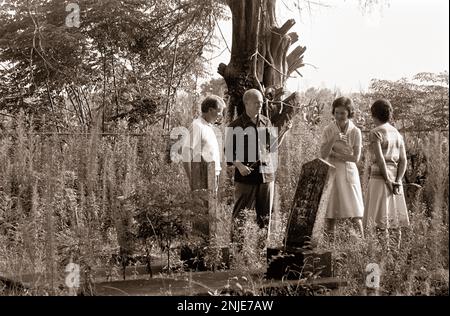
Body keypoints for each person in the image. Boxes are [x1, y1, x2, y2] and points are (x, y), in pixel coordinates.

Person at [224, 89, 277, 250]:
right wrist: (239, 166)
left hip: (266, 176)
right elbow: (228, 152)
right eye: (256, 103)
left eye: (261, 103)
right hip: (245, 177)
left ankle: (262, 251)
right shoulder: (235, 125)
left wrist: (284, 133)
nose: (260, 105)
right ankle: (236, 252)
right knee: (240, 215)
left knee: (265, 216)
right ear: (246, 103)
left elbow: (273, 147)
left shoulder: (266, 122)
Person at [364, 99, 409, 249]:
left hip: (380, 179)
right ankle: (395, 253)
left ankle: (383, 254)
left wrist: (388, 181)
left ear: (373, 114)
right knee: (394, 219)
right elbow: (403, 160)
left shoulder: (375, 132)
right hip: (396, 180)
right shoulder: (397, 133)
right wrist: (397, 180)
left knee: (378, 220)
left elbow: (380, 160)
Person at [320, 97, 365, 240]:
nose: (339, 116)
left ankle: (361, 245)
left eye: (343, 113)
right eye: (337, 113)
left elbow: (355, 158)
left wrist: (335, 154)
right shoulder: (328, 130)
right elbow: (323, 155)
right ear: (333, 112)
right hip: (332, 171)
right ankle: (329, 247)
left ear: (349, 113)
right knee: (330, 214)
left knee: (354, 213)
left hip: (349, 172)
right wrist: (333, 139)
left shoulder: (355, 131)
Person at [182, 95, 226, 192]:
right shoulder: (197, 126)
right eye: (219, 111)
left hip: (212, 174)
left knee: (211, 206)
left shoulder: (208, 126)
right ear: (210, 110)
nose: (220, 115)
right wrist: (192, 180)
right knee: (204, 206)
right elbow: (186, 153)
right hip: (202, 177)